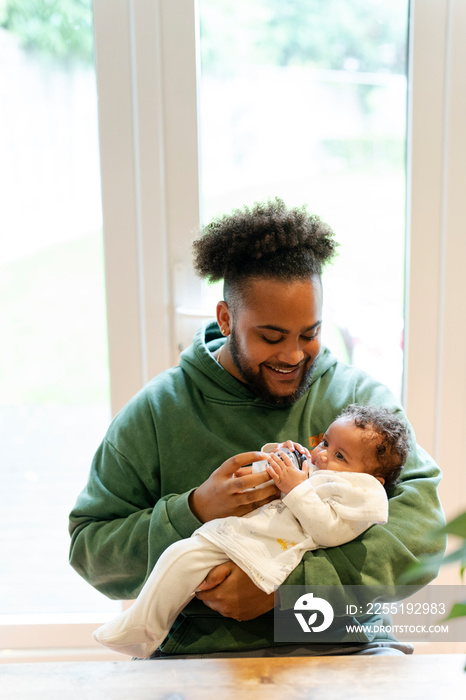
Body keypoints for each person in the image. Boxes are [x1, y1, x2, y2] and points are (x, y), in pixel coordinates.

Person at [69, 197, 445, 658]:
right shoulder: (157, 411)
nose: (292, 355)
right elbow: (90, 551)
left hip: (346, 646)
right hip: (202, 659)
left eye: (309, 334)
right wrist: (194, 510)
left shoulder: (360, 407)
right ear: (226, 319)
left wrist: (286, 596)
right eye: (270, 337)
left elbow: (421, 538)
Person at [92, 404, 410, 659]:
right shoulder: (319, 471)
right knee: (179, 556)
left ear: (373, 477)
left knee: (184, 561)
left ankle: (142, 628)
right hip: (245, 537)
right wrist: (279, 458)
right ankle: (144, 626)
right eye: (325, 442)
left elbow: (328, 531)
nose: (323, 454)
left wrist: (296, 488)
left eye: (340, 455)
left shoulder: (362, 492)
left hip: (271, 555)